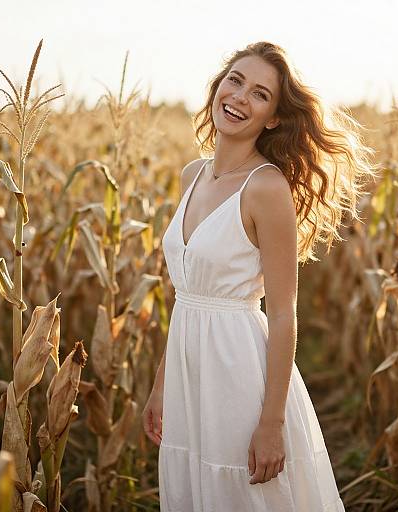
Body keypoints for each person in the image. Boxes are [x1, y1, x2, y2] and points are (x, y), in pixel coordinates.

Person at [142, 41, 376, 511]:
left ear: (273, 117)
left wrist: (271, 424)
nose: (240, 97)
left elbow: (285, 313)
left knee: (242, 494)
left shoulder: (266, 187)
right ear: (218, 86)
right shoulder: (192, 175)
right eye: (235, 80)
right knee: (195, 488)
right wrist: (160, 385)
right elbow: (188, 296)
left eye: (260, 93)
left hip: (238, 370)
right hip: (189, 371)